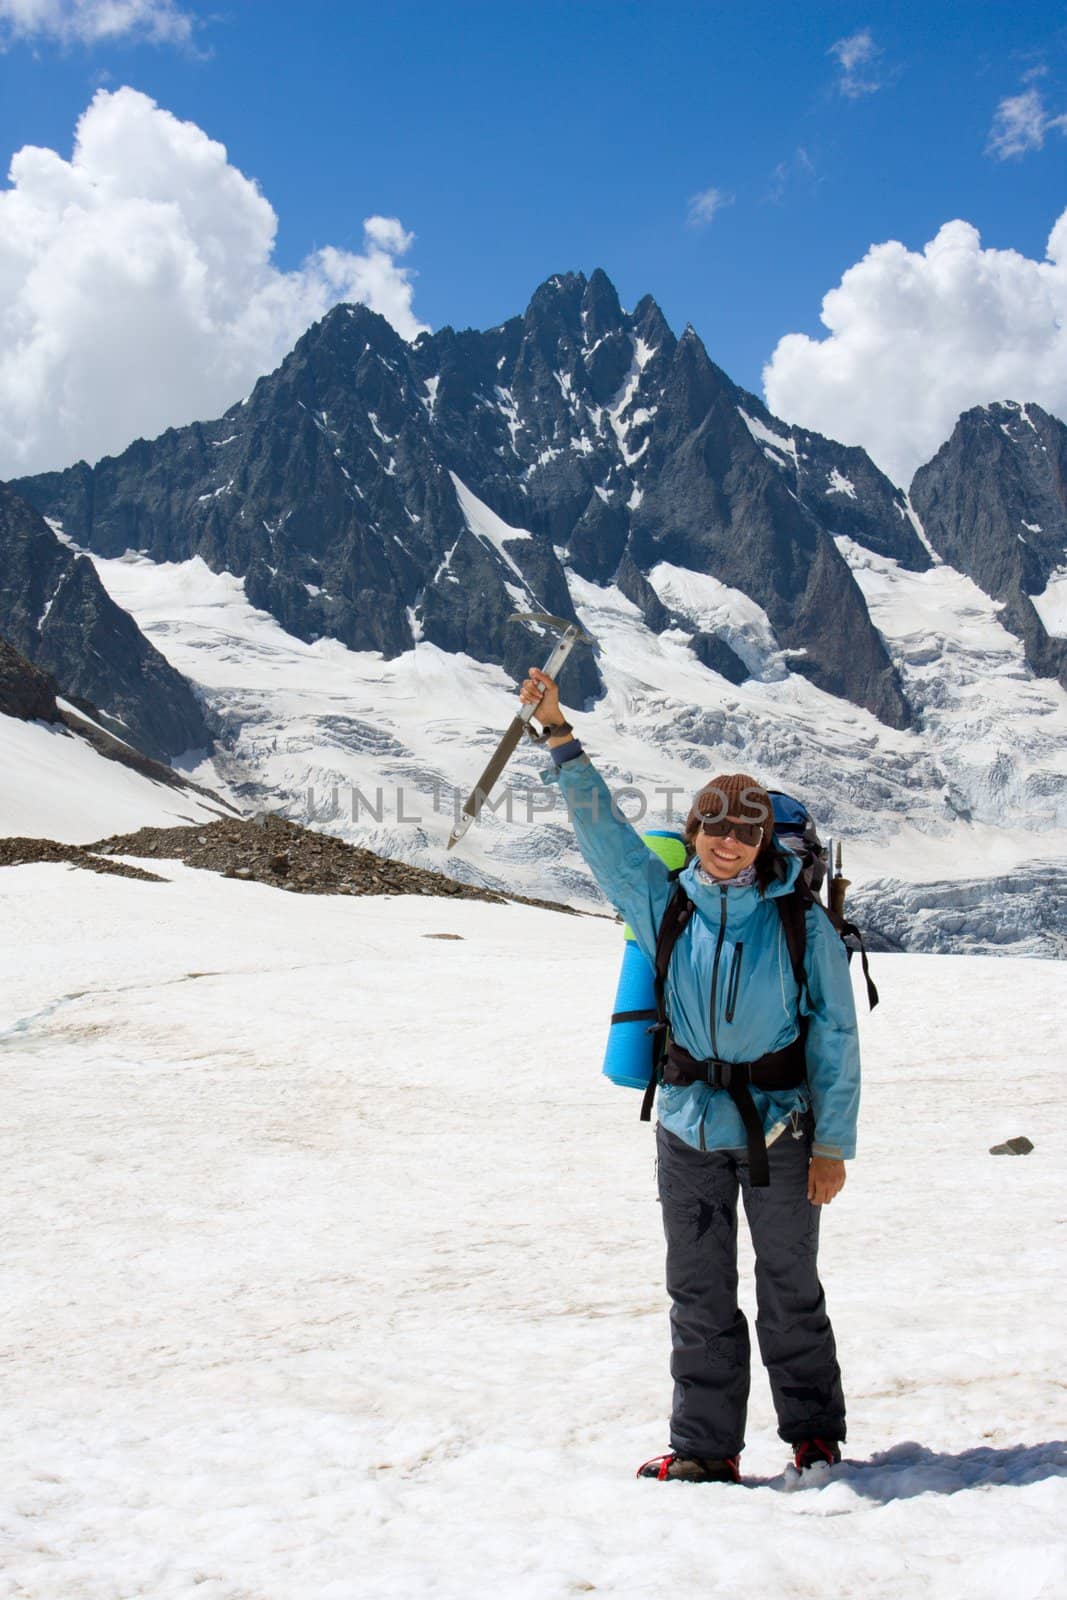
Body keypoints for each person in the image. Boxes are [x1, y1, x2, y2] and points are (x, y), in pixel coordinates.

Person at [519, 665, 860, 1484]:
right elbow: (601, 833)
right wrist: (560, 736)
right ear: (696, 828)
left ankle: (811, 1434)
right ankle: (707, 1448)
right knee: (698, 1294)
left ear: (760, 839)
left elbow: (837, 1037)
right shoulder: (659, 898)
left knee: (788, 1287)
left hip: (782, 1126)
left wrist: (832, 1146)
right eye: (714, 826)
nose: (727, 842)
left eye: (743, 831)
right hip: (684, 1123)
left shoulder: (797, 920)